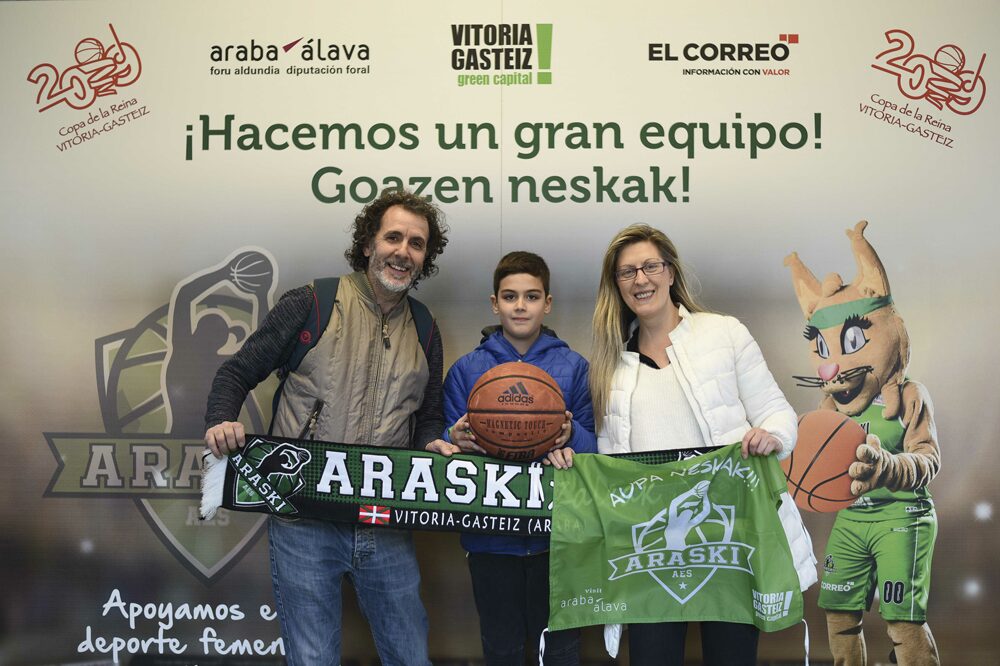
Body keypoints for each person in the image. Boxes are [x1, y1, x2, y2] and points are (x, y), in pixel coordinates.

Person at [203, 189, 451, 666]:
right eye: (393, 237)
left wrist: (433, 443)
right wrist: (220, 420)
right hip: (304, 517)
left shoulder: (425, 327)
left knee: (410, 655)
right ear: (367, 244)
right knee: (313, 658)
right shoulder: (312, 302)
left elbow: (428, 415)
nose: (403, 251)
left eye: (416, 244)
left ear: (425, 257)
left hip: (386, 519)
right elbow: (235, 373)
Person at [589, 224, 797, 666]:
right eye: (627, 273)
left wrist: (773, 436)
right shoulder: (609, 366)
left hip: (730, 537)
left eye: (650, 267)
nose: (640, 280)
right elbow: (608, 465)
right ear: (616, 286)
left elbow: (778, 412)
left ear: (669, 272)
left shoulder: (724, 333)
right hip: (652, 551)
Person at [435, 251, 597, 665]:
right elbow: (445, 452)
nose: (520, 306)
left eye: (531, 296)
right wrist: (450, 437)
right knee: (501, 647)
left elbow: (595, 444)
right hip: (490, 535)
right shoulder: (466, 370)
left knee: (559, 648)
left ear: (548, 302)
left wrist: (569, 434)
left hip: (557, 535)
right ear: (495, 303)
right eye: (510, 297)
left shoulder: (575, 367)